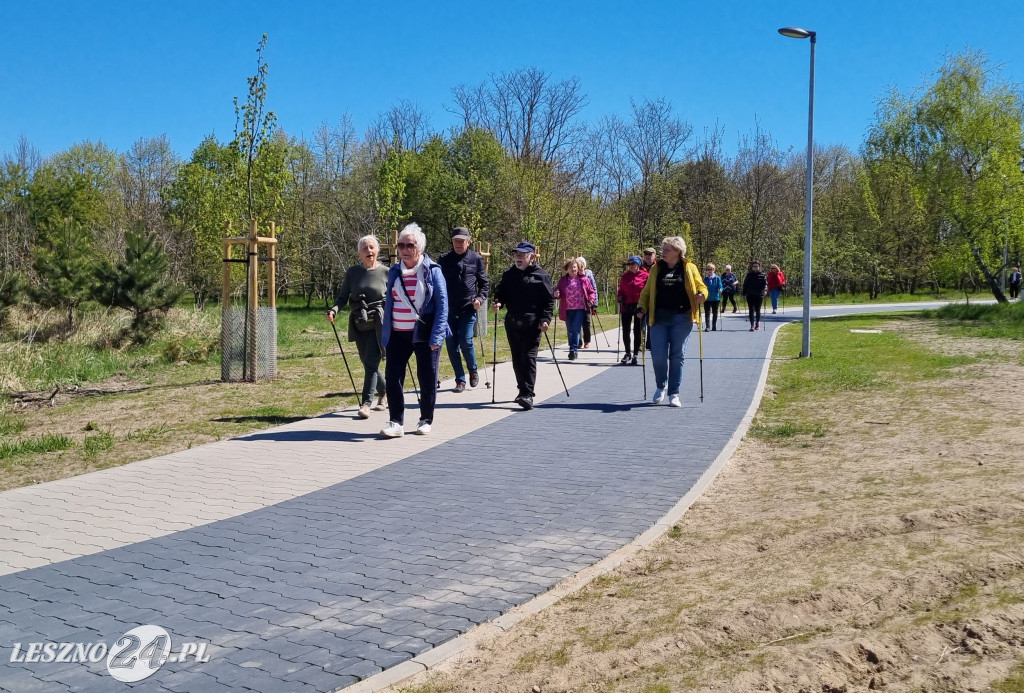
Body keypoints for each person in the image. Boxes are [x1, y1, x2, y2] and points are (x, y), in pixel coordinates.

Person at [379, 223, 450, 438]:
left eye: (409, 245)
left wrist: (437, 335)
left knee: (426, 376)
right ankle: (395, 422)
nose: (404, 249)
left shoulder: (432, 271)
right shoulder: (394, 271)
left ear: (419, 247)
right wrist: (386, 333)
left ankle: (425, 419)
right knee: (393, 377)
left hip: (424, 333)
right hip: (397, 333)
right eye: (401, 245)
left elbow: (442, 304)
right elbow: (389, 302)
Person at [636, 237, 707, 408]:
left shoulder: (689, 267)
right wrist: (641, 307)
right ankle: (661, 385)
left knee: (677, 356)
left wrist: (701, 295)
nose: (663, 252)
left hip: (682, 317)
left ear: (677, 251)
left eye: (667, 249)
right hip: (659, 317)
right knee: (658, 355)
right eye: (663, 249)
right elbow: (646, 292)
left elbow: (701, 287)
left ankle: (674, 393)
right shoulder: (656, 268)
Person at [326, 235, 388, 419]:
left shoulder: (387, 272)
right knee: (367, 362)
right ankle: (385, 392)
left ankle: (366, 404)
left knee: (371, 363)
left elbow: (395, 298)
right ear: (359, 253)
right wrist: (334, 311)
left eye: (371, 247)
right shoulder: (352, 273)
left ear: (377, 251)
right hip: (359, 324)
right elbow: (342, 297)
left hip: (379, 324)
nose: (369, 251)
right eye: (364, 248)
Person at [492, 242, 555, 410]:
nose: (518, 257)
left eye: (522, 254)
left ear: (531, 257)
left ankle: (528, 394)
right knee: (517, 358)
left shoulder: (541, 275)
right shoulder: (509, 274)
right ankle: (521, 390)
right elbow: (501, 293)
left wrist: (546, 319)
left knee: (528, 357)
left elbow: (549, 301)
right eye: (516, 254)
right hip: (512, 323)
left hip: (533, 324)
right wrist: (498, 302)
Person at [439, 226, 489, 393]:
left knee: (465, 341)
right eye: (455, 241)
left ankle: (473, 370)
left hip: (468, 308)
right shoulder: (444, 259)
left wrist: (480, 299)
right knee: (452, 345)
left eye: (461, 241)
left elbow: (484, 285)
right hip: (449, 310)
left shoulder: (476, 259)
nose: (458, 244)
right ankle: (460, 380)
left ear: (468, 241)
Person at [554, 257, 597, 361]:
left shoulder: (584, 279)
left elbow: (591, 292)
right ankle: (572, 348)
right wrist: (556, 293)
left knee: (576, 329)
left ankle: (573, 350)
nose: (573, 269)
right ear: (567, 269)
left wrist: (591, 300)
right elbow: (557, 290)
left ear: (578, 268)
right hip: (567, 309)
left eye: (575, 267)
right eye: (571, 267)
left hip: (580, 308)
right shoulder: (563, 281)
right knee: (570, 330)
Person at [616, 256, 648, 365]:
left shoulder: (645, 276)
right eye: (629, 265)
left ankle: (635, 354)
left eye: (633, 264)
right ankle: (627, 353)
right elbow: (620, 290)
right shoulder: (625, 277)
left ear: (638, 265)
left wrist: (645, 306)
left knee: (637, 330)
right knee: (626, 330)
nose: (630, 266)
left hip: (639, 306)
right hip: (626, 305)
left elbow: (647, 291)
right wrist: (619, 297)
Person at [577, 256, 598, 348]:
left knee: (586, 323)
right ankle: (579, 341)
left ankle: (587, 341)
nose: (580, 268)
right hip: (577, 303)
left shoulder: (588, 274)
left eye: (581, 265)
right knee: (577, 323)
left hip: (587, 303)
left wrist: (594, 303)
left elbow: (593, 288)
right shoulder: (573, 275)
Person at [742, 261, 768, 331]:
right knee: (751, 310)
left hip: (759, 295)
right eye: (754, 266)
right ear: (752, 267)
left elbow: (765, 284)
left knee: (757, 309)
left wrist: (765, 290)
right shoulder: (749, 275)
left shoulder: (763, 275)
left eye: (756, 266)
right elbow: (745, 285)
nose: (755, 267)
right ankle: (752, 325)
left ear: (759, 267)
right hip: (750, 294)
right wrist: (744, 294)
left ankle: (757, 322)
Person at [703, 263, 723, 332]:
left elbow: (720, 286)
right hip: (707, 298)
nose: (709, 271)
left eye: (711, 269)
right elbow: (703, 286)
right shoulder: (705, 278)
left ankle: (714, 325)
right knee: (707, 312)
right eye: (708, 269)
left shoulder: (717, 278)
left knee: (715, 312)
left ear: (714, 270)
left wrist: (720, 289)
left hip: (715, 298)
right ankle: (707, 326)